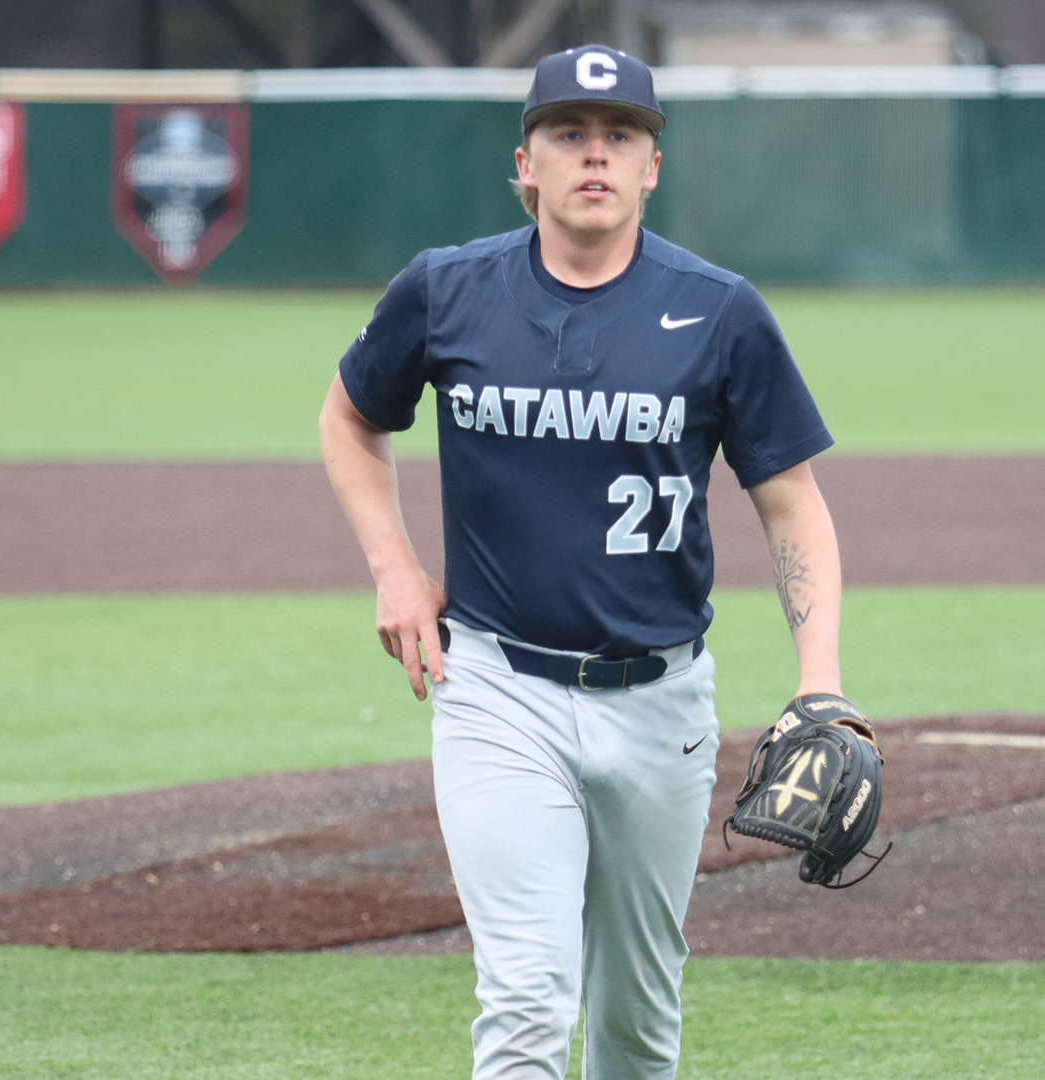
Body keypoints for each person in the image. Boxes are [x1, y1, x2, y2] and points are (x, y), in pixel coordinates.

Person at [318, 44, 844, 1080]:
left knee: (638, 1024)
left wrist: (819, 682)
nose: (593, 156)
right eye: (568, 135)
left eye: (620, 137)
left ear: (654, 166)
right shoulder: (447, 292)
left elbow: (792, 505)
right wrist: (393, 567)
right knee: (525, 996)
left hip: (661, 702)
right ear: (525, 163)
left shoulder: (720, 311)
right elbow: (348, 418)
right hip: (498, 691)